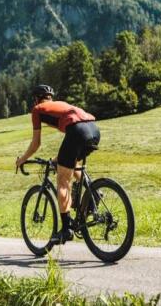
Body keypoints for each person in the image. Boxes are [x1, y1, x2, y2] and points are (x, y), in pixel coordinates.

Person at [15, 84, 100, 245]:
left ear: (36, 99)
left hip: (77, 131)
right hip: (94, 130)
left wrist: (22, 159)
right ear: (50, 98)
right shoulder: (60, 105)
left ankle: (66, 229)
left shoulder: (38, 110)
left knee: (62, 180)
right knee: (69, 163)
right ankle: (93, 192)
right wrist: (57, 159)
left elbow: (36, 143)